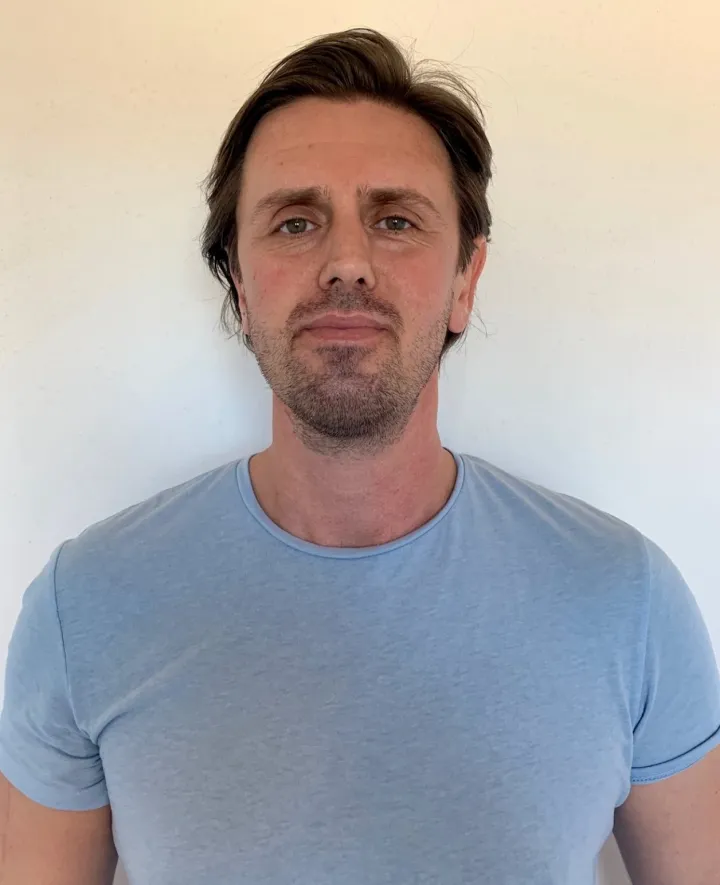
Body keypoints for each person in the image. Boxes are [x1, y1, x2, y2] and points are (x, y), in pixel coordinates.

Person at [1, 27, 718, 885]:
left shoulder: (627, 601)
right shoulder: (84, 607)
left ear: (466, 281)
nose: (347, 262)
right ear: (238, 283)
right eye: (296, 221)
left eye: (396, 219)